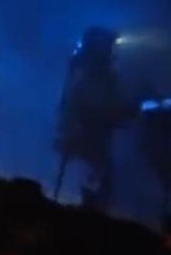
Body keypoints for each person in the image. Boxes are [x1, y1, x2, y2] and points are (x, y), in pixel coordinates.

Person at [54, 26, 129, 209]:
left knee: (95, 172)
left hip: (92, 127)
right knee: (92, 171)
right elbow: (79, 98)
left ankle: (90, 204)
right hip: (88, 128)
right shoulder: (89, 70)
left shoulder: (91, 70)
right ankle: (89, 207)